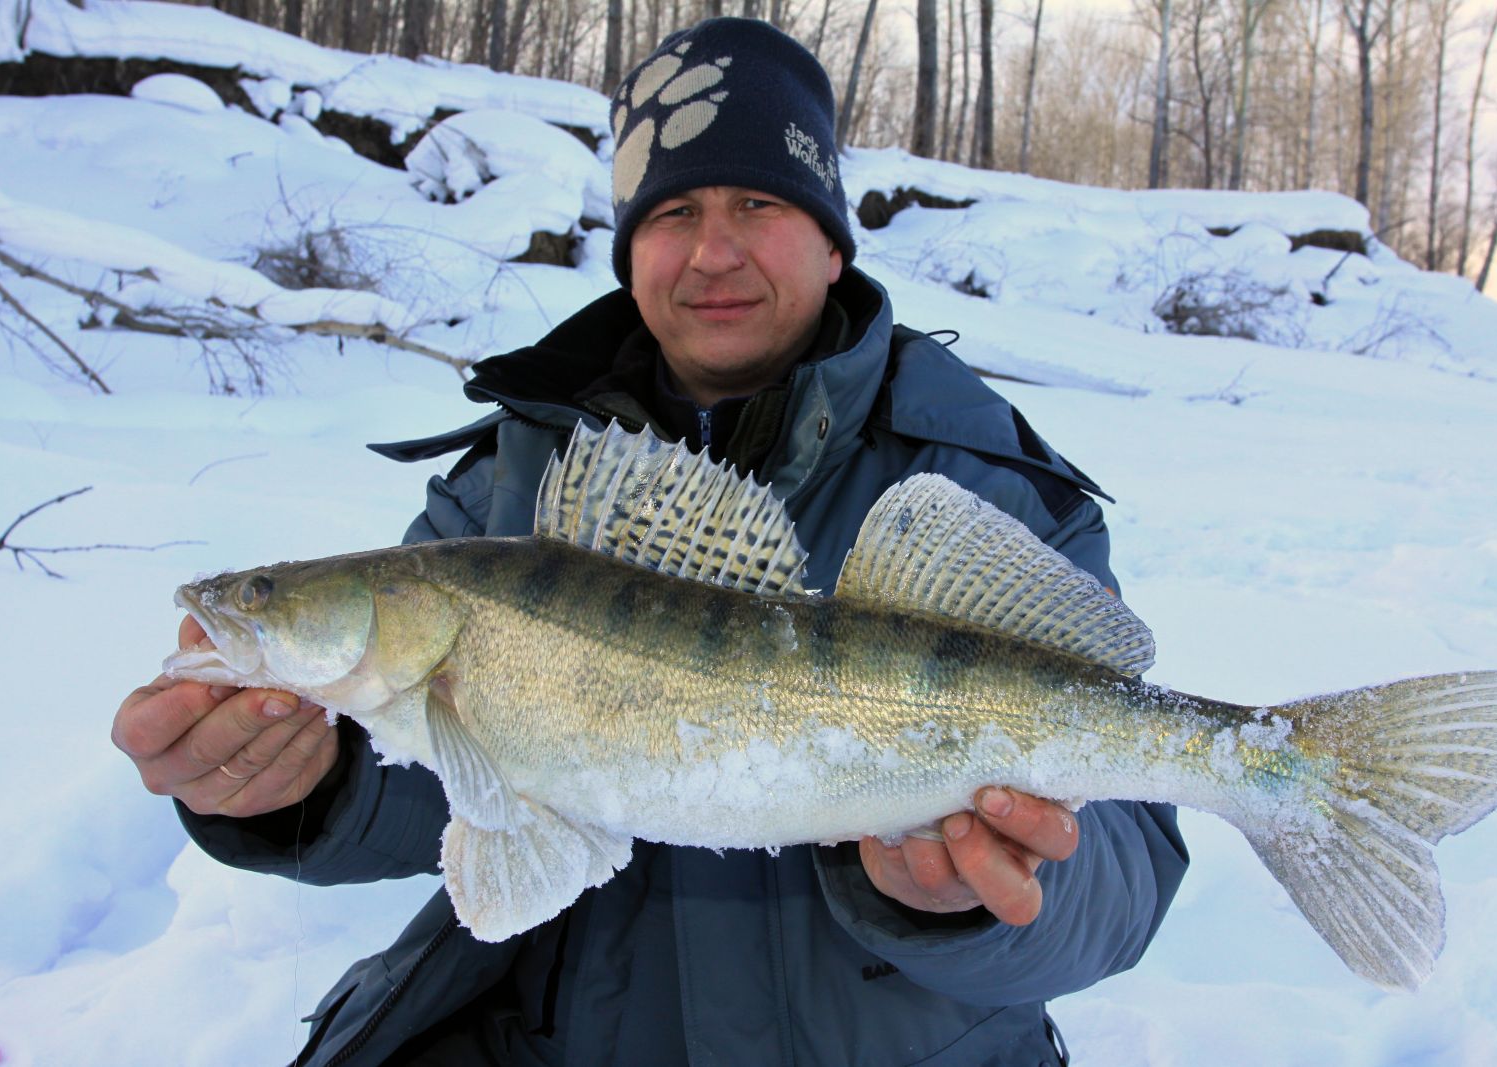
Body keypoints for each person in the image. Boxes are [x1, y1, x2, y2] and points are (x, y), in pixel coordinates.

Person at [112, 18, 1187, 1066]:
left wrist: (974, 902)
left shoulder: (977, 476)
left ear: (828, 236)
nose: (712, 250)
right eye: (670, 213)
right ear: (629, 252)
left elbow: (1130, 851)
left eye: (757, 202)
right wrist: (303, 786)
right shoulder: (506, 491)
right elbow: (445, 799)